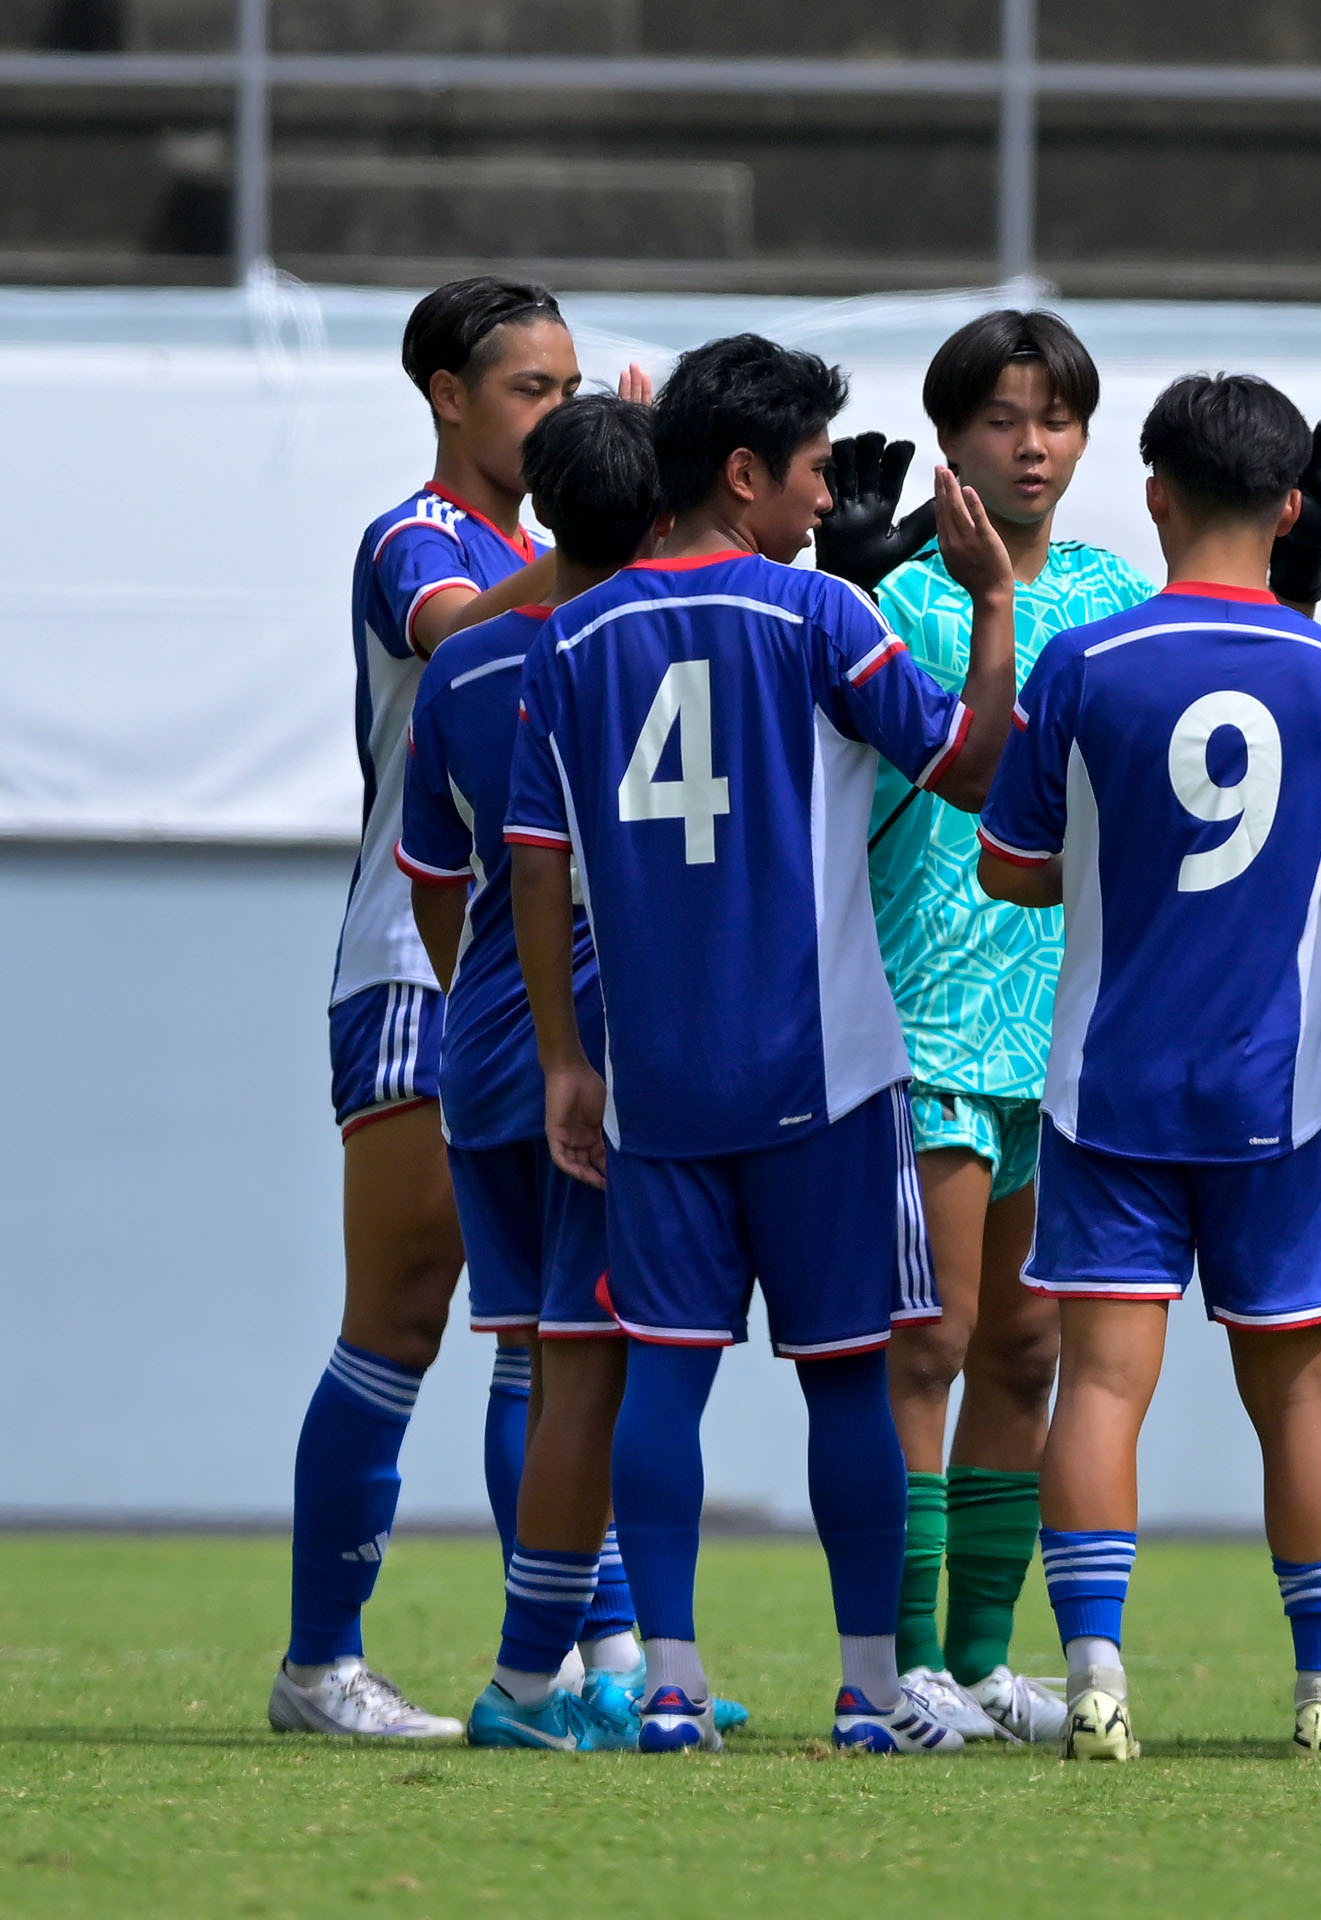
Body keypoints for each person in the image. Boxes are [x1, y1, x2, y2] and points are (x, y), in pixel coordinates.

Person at [505, 333, 1017, 1755]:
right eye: (809, 471)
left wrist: (566, 1059)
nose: (822, 497)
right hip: (827, 1075)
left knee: (663, 1373)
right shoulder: (818, 614)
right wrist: (989, 601)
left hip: (656, 1081)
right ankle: (867, 1692)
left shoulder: (575, 636)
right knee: (847, 1370)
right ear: (741, 475)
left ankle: (669, 1685)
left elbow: (536, 864)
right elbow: (972, 764)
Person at [977, 373, 1321, 1762]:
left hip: (1113, 1084)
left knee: (1099, 1384)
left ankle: (1095, 1685)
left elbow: (1010, 866)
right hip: (1282, 1094)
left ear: (1152, 494)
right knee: (1303, 1393)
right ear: (1292, 504)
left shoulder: (1083, 665)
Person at [273, 277, 636, 1740]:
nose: (553, 413)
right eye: (529, 391)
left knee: (543, 1323)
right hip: (415, 961)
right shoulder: (417, 540)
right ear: (447, 394)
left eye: (569, 391)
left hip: (534, 970)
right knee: (410, 1307)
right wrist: (616, 515)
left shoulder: (571, 563)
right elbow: (455, 628)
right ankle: (320, 1666)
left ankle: (586, 1670)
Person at [835, 312, 1154, 1744]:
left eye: (1059, 419)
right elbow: (980, 769)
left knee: (1029, 1355)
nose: (1033, 446)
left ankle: (975, 1664)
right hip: (925, 1023)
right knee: (930, 1345)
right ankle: (899, 1669)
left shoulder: (1116, 587)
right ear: (950, 436)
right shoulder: (905, 600)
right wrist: (985, 604)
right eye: (1003, 420)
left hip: (1068, 1031)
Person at [398, 393, 732, 1750]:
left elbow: (435, 882)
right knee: (591, 1361)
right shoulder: (654, 649)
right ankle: (559, 1670)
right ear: (659, 509)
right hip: (598, 1053)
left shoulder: (465, 667)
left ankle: (583, 1659)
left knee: (532, 1356)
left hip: (483, 1038)